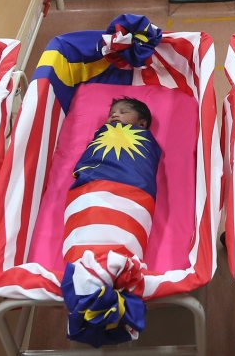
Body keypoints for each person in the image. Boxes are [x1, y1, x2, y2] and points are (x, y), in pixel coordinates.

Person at [62, 97, 162, 346]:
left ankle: (97, 277)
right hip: (91, 186)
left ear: (142, 123)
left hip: (132, 186)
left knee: (119, 225)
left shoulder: (144, 139)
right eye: (112, 114)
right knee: (90, 219)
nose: (114, 116)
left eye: (123, 112)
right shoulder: (102, 134)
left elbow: (145, 163)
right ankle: (101, 276)